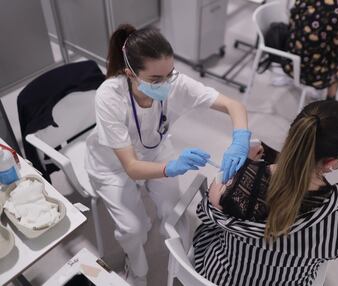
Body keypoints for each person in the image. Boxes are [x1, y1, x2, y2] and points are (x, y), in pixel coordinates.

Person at [84, 24, 250, 286]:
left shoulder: (174, 82)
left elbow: (234, 105)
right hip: (113, 165)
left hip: (155, 149)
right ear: (130, 73)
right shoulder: (109, 96)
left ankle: (181, 268)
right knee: (133, 229)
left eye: (169, 73)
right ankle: (136, 269)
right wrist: (171, 167)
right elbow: (131, 167)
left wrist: (240, 139)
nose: (166, 83)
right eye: (155, 80)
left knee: (175, 214)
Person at [193, 100, 338, 286]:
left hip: (219, 277)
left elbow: (209, 208)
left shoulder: (240, 185)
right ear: (331, 162)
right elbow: (332, 251)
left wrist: (243, 168)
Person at [282, 0, 338, 109]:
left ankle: (331, 98)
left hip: (289, 62)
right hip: (312, 75)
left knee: (335, 54)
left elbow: (291, 25)